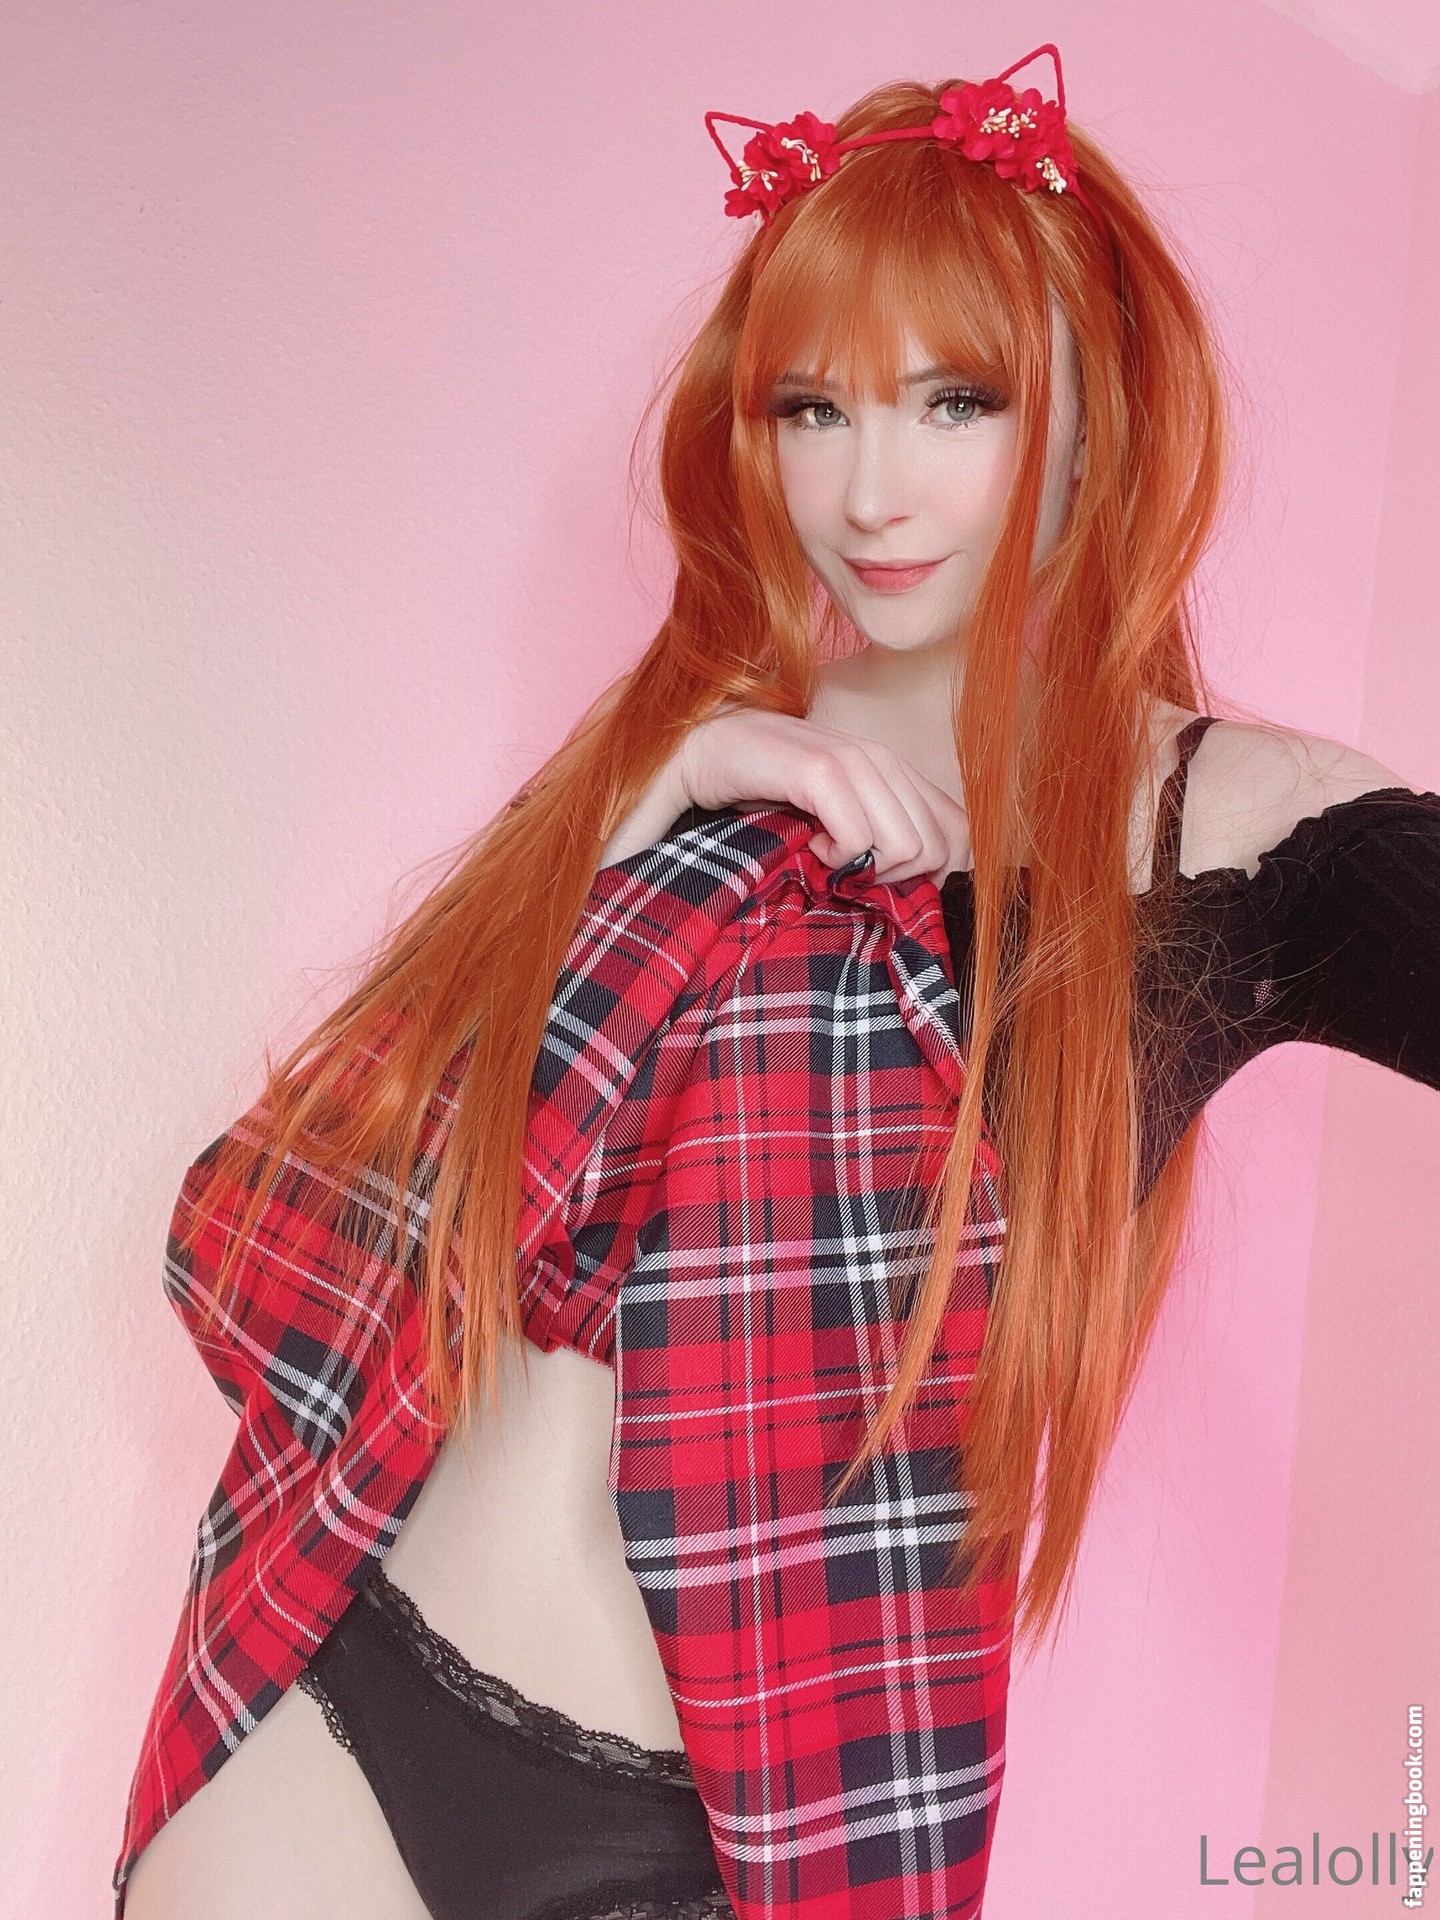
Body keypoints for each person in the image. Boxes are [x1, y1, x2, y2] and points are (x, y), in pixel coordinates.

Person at [116, 44, 1439, 1920]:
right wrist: (642, 815)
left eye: (955, 401)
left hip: (716, 1831)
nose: (869, 492)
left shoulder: (1231, 831)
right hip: (326, 1688)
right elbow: (321, 1214)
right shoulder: (686, 750)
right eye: (813, 408)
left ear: (1098, 413)